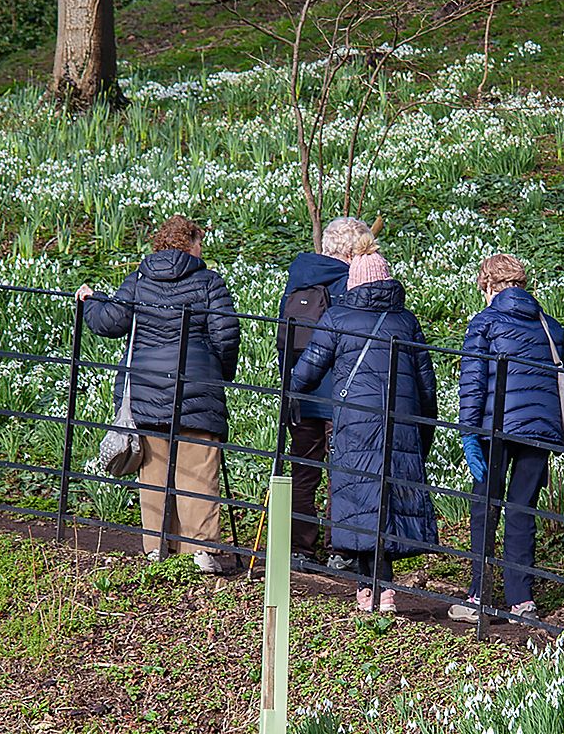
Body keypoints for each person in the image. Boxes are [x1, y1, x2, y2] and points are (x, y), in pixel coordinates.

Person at [76, 215, 241, 573]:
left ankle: (157, 548)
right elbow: (226, 335)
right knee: (199, 469)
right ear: (190, 244)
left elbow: (110, 322)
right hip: (197, 388)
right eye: (199, 243)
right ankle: (201, 552)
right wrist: (219, 374)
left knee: (153, 471)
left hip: (146, 390)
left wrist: (91, 300)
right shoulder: (209, 282)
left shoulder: (140, 279)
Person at [287, 252, 438, 614]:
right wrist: (424, 429)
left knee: (361, 498)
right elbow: (426, 384)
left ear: (354, 283)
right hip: (399, 421)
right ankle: (383, 588)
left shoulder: (338, 318)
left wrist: (290, 392)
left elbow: (307, 371)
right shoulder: (406, 321)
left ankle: (368, 589)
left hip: (355, 423)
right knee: (387, 496)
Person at [450, 254, 564, 623]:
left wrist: (469, 433)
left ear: (488, 284)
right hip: (539, 429)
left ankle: (479, 596)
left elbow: (473, 383)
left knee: (485, 508)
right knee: (522, 511)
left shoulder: (484, 323)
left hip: (495, 428)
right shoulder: (550, 326)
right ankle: (521, 600)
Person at [278, 216, 373, 566]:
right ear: (352, 250)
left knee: (303, 470)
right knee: (341, 472)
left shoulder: (298, 278)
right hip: (339, 393)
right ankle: (340, 550)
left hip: (301, 391)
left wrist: (290, 384)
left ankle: (299, 549)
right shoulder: (351, 283)